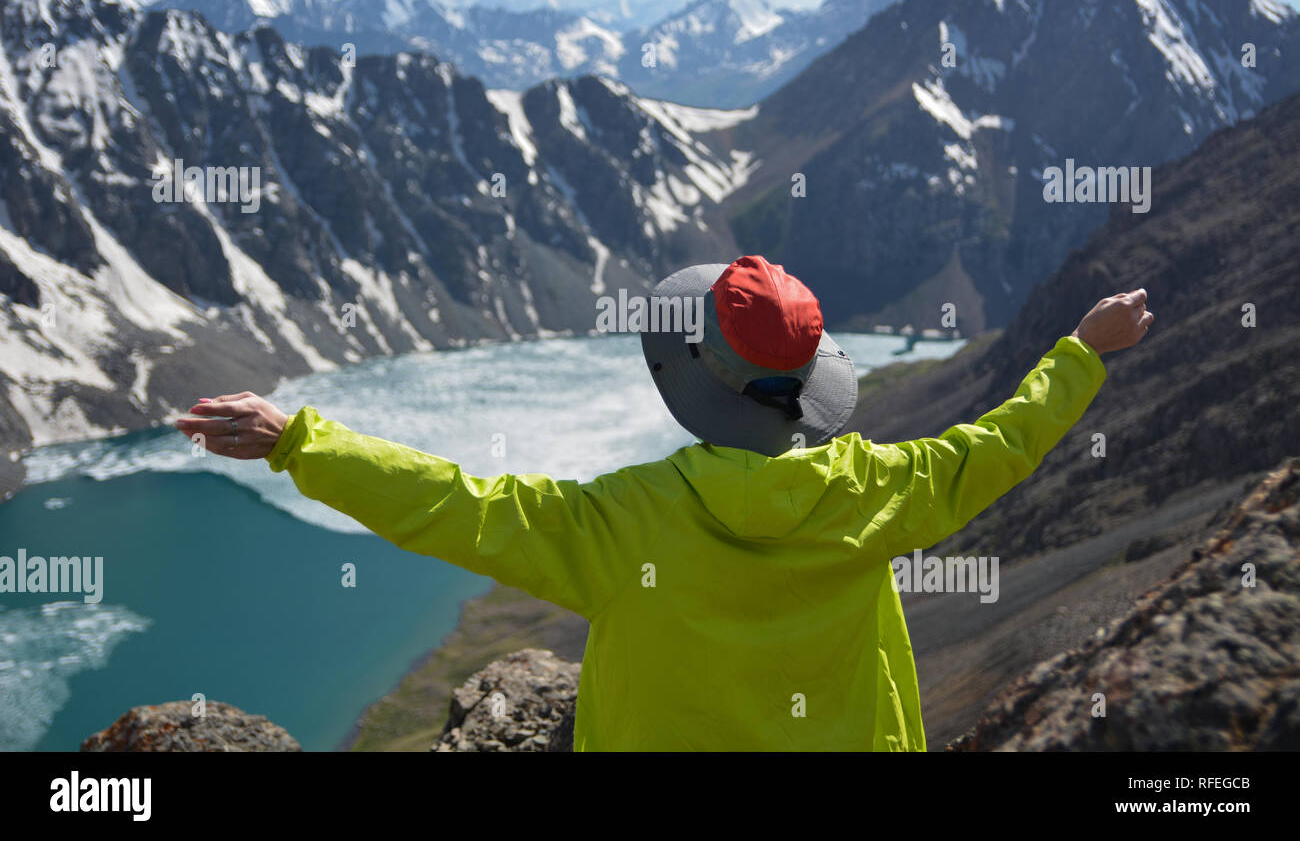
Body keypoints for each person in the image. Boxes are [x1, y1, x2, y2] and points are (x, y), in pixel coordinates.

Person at [174, 254, 1153, 751]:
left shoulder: (621, 521)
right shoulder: (881, 490)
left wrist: (298, 439)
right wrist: (1080, 351)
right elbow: (1002, 443)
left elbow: (450, 503)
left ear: (697, 378)